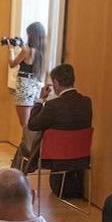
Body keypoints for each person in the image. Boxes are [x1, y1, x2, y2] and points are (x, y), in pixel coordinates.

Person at [26, 62, 93, 197]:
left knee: (25, 141)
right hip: (80, 155)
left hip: (55, 156)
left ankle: (18, 178)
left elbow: (32, 124)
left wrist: (40, 99)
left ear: (55, 83)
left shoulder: (52, 105)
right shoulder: (86, 101)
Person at [7, 21, 47, 129]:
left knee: (25, 125)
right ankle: (30, 144)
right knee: (31, 122)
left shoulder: (26, 50)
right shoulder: (41, 52)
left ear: (31, 35)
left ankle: (27, 145)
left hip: (24, 88)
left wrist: (11, 50)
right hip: (35, 88)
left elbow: (12, 64)